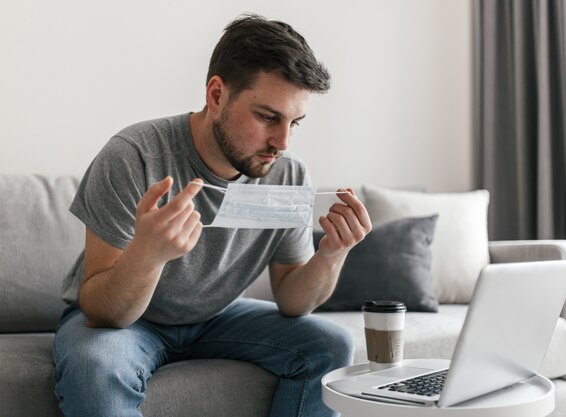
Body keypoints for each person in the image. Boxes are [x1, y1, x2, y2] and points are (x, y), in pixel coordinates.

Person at [53, 13, 372, 417]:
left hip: (217, 316)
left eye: (295, 122)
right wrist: (147, 257)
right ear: (217, 94)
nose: (282, 141)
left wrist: (331, 254)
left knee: (330, 345)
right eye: (268, 117)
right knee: (95, 366)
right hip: (128, 322)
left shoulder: (288, 175)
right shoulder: (134, 155)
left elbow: (293, 300)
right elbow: (101, 310)